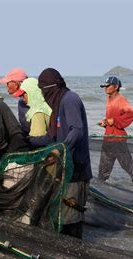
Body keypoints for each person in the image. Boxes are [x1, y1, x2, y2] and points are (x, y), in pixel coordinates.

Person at [33, 68, 92, 239]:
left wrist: (61, 149)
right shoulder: (57, 105)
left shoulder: (69, 99)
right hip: (64, 170)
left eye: (43, 90)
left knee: (71, 221)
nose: (43, 94)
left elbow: (77, 130)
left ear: (51, 88)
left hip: (76, 172)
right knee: (62, 219)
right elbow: (51, 137)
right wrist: (25, 138)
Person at [98, 76, 133, 185]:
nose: (105, 88)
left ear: (116, 87)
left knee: (126, 163)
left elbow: (132, 113)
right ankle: (101, 185)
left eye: (108, 86)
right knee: (104, 165)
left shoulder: (120, 99)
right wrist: (105, 122)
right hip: (108, 136)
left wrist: (113, 121)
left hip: (118, 138)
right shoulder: (109, 98)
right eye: (104, 86)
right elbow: (113, 117)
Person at [0, 68, 30, 135]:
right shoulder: (21, 101)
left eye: (8, 83)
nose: (7, 87)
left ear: (16, 83)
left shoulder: (29, 100)